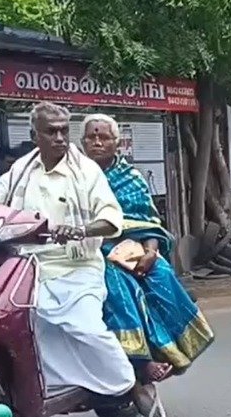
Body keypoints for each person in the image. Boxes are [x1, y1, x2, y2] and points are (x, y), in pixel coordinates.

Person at [0, 102, 164, 417]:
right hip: (27, 271)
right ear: (35, 135)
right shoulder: (21, 169)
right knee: (25, 328)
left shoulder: (86, 171)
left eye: (65, 130)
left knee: (86, 327)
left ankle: (134, 386)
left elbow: (112, 218)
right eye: (52, 131)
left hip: (78, 267)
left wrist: (81, 230)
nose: (61, 138)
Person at [81, 113, 214, 399]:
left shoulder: (130, 177)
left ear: (117, 143)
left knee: (162, 274)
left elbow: (148, 222)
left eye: (103, 137)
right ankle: (141, 361)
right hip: (91, 251)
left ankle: (179, 347)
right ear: (81, 142)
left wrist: (151, 252)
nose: (97, 142)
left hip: (134, 246)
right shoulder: (75, 176)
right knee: (118, 283)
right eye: (91, 137)